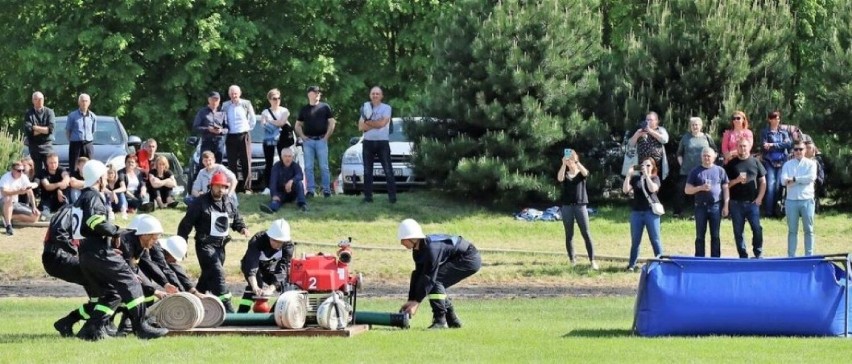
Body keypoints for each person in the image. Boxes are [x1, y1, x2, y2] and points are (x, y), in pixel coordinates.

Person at [74, 160, 167, 341]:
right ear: (99, 178)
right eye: (104, 176)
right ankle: (140, 327)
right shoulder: (93, 196)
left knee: (112, 293)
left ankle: (91, 330)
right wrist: (116, 231)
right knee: (131, 282)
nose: (106, 178)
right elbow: (94, 221)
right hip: (98, 251)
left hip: (86, 252)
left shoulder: (82, 197)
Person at [177, 172, 249, 312]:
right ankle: (228, 310)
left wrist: (242, 228)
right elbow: (186, 224)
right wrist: (182, 244)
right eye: (217, 186)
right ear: (211, 186)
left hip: (221, 247)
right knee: (218, 273)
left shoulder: (229, 202)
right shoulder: (199, 203)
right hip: (205, 246)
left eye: (223, 187)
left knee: (207, 276)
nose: (220, 189)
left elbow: (236, 219)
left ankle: (192, 304)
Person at [397, 219, 481, 329]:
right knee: (434, 281)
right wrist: (411, 300)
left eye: (403, 240)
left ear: (412, 238)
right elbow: (418, 274)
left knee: (435, 281)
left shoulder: (431, 249)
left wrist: (416, 302)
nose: (401, 243)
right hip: (461, 256)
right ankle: (453, 320)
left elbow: (429, 278)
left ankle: (440, 321)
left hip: (469, 258)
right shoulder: (418, 250)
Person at [41, 203, 100, 337]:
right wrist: (75, 251)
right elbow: (58, 233)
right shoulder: (69, 210)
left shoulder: (80, 215)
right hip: (58, 256)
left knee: (100, 290)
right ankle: (90, 325)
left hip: (62, 256)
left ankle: (72, 322)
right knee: (102, 283)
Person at [237, 219, 295, 313]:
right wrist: (255, 286)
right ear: (269, 236)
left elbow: (282, 269)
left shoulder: (288, 247)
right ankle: (241, 313)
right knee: (256, 286)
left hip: (268, 267)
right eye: (274, 240)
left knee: (285, 287)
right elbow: (251, 264)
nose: (276, 244)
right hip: (250, 264)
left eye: (280, 242)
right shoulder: (257, 240)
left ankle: (274, 314)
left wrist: (271, 289)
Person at [725, 138, 766, 259]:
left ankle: (758, 253)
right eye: (740, 146)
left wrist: (760, 197)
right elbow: (725, 185)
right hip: (735, 203)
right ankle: (743, 256)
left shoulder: (755, 162)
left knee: (757, 229)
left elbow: (763, 181)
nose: (742, 148)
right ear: (736, 148)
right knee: (738, 232)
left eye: (744, 146)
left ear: (749, 147)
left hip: (752, 203)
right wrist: (736, 180)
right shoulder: (731, 164)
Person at [556, 149, 597, 269]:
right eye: (567, 158)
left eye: (571, 159)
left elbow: (586, 173)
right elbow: (559, 178)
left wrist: (577, 162)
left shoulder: (580, 173)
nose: (569, 161)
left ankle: (592, 260)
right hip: (567, 206)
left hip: (580, 206)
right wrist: (563, 164)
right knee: (569, 234)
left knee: (586, 233)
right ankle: (572, 259)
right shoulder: (565, 173)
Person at [685, 147, 729, 258]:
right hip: (700, 207)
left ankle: (715, 260)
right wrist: (700, 188)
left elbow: (725, 188)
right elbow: (687, 190)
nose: (706, 158)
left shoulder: (720, 170)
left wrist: (726, 205)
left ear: (714, 157)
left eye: (709, 155)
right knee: (700, 235)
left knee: (715, 235)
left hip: (716, 206)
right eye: (704, 155)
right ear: (701, 157)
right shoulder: (695, 171)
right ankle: (699, 259)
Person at [622, 158, 663, 271]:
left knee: (655, 239)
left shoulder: (655, 178)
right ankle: (632, 264)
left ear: (653, 167)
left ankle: (660, 262)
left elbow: (653, 189)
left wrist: (647, 177)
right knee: (635, 240)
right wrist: (628, 175)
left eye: (648, 165)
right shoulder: (636, 179)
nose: (645, 167)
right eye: (643, 165)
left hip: (651, 212)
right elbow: (625, 190)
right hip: (637, 212)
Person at [295, 85, 336, 198]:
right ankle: (310, 191)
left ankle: (327, 190)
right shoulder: (304, 109)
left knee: (324, 166)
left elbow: (332, 122)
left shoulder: (325, 107)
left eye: (319, 92)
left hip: (321, 140)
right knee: (308, 167)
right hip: (308, 141)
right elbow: (297, 125)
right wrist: (302, 136)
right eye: (315, 92)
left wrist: (327, 136)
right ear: (309, 94)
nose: (317, 94)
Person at [358, 86, 397, 203]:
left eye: (377, 94)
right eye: (373, 93)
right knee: (367, 171)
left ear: (381, 96)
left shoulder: (386, 108)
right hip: (368, 143)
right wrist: (374, 124)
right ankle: (368, 197)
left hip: (382, 143)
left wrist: (368, 123)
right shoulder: (365, 107)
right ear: (370, 95)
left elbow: (382, 123)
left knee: (388, 170)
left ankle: (392, 197)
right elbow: (361, 126)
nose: (375, 95)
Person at [781, 140, 817, 257]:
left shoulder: (811, 164)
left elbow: (811, 178)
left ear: (805, 150)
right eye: (795, 149)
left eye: (800, 149)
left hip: (807, 200)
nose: (798, 152)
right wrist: (800, 180)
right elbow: (783, 181)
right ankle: (791, 257)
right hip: (791, 200)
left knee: (809, 230)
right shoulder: (787, 164)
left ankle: (809, 256)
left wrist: (795, 179)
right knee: (792, 231)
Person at [674, 117, 715, 218]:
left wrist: (710, 163)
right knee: (680, 189)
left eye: (697, 124)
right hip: (686, 170)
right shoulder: (685, 138)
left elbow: (715, 151)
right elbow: (679, 153)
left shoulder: (707, 137)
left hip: (702, 170)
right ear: (690, 126)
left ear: (701, 126)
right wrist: (682, 164)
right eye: (693, 125)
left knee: (700, 192)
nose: (695, 126)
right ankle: (677, 212)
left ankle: (697, 213)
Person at [222, 85, 256, 192]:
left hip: (244, 135)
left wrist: (247, 129)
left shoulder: (246, 103)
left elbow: (253, 119)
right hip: (231, 136)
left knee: (246, 161)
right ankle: (234, 187)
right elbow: (222, 119)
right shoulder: (225, 105)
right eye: (232, 93)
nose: (234, 95)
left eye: (235, 93)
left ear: (239, 93)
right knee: (232, 163)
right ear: (229, 94)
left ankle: (247, 187)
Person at [760, 111, 792, 217]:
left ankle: (778, 211)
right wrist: (779, 145)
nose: (776, 120)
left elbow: (788, 144)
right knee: (770, 187)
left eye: (778, 118)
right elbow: (764, 146)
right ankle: (769, 212)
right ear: (769, 120)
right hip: (769, 162)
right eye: (774, 118)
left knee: (779, 186)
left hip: (782, 162)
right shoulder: (765, 132)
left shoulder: (784, 132)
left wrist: (772, 144)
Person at [260, 88, 290, 194]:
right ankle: (268, 187)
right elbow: (263, 125)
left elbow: (282, 122)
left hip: (282, 140)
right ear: (270, 100)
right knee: (269, 163)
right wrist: (274, 123)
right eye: (274, 98)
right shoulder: (265, 112)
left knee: (284, 161)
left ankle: (284, 185)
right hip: (269, 139)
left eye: (279, 98)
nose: (277, 100)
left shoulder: (284, 110)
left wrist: (270, 121)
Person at [260, 148, 307, 213]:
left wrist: (291, 181)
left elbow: (300, 175)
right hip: (281, 193)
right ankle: (271, 209)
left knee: (299, 183)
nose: (288, 159)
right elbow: (273, 182)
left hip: (292, 192)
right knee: (276, 201)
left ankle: (302, 205)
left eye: (289, 156)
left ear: (292, 157)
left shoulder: (295, 166)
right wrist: (274, 195)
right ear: (282, 157)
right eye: (285, 156)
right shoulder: (276, 166)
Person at [1, 161, 40, 235]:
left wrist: (34, 207)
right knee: (9, 198)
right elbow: (3, 193)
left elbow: (30, 192)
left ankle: (8, 217)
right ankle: (8, 226)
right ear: (12, 170)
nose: (21, 173)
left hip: (15, 204)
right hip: (3, 203)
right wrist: (18, 192)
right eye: (19, 171)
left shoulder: (23, 177)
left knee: (36, 216)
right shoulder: (5, 177)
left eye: (23, 170)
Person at [628, 111, 670, 181]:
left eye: (650, 120)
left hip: (656, 167)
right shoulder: (640, 130)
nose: (648, 121)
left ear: (656, 121)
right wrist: (637, 135)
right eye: (647, 120)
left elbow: (665, 140)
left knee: (654, 187)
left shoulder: (661, 130)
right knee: (639, 184)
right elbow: (630, 144)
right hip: (640, 166)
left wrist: (650, 131)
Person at [24, 91, 56, 175]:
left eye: (41, 99)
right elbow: (30, 132)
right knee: (37, 171)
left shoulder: (49, 112)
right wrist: (44, 129)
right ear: (33, 101)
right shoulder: (29, 114)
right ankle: (38, 186)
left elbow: (50, 129)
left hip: (47, 146)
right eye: (36, 99)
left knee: (50, 170)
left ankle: (50, 186)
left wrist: (35, 127)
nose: (39, 101)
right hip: (34, 147)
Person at [192, 91, 227, 164]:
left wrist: (221, 130)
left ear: (219, 101)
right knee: (204, 164)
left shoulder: (222, 112)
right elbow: (196, 127)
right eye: (212, 100)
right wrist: (208, 129)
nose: (214, 102)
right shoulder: (202, 112)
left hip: (219, 142)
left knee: (218, 165)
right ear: (209, 100)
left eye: (216, 100)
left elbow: (227, 128)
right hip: (207, 141)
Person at [65, 93, 96, 174]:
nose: (84, 103)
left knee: (91, 166)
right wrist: (72, 140)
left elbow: (93, 131)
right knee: (74, 166)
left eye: (86, 101)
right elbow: (68, 131)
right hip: (76, 144)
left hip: (88, 144)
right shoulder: (72, 116)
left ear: (89, 102)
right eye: (82, 101)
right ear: (79, 102)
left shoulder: (93, 116)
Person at [37, 153, 70, 218]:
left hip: (60, 198)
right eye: (51, 163)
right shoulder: (43, 172)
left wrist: (59, 190)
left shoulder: (61, 170)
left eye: (55, 162)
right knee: (45, 215)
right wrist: (59, 184)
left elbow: (66, 179)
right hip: (47, 199)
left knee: (66, 213)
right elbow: (47, 187)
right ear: (47, 163)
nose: (53, 165)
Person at [801, 134, 826, 214]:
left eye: (809, 148)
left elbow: (821, 178)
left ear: (814, 150)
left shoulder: (817, 162)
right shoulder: (799, 161)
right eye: (806, 148)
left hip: (813, 186)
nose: (808, 150)